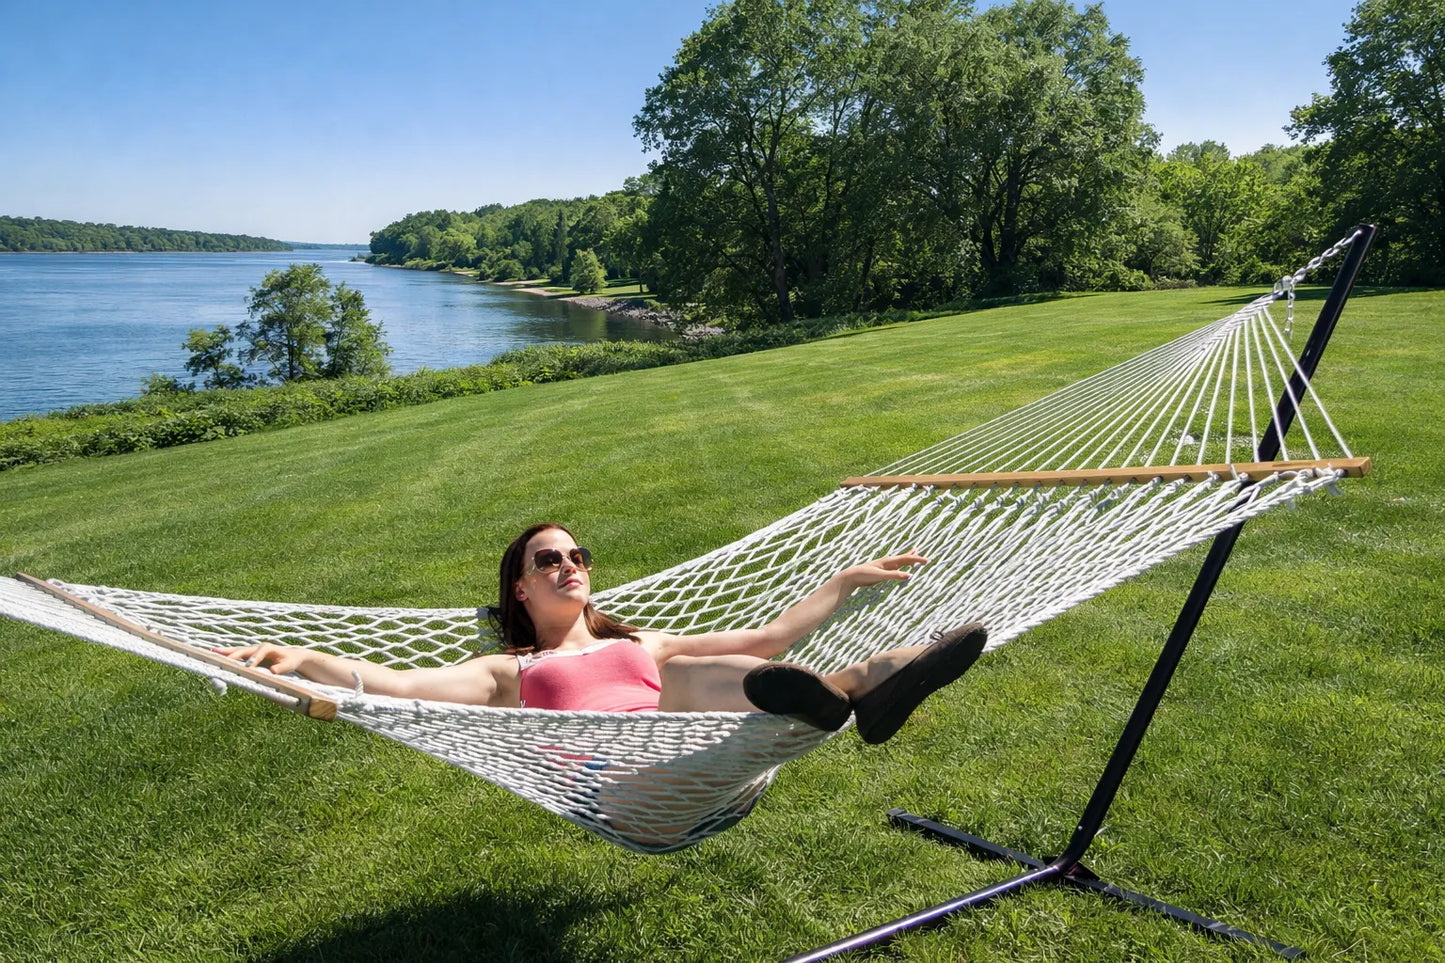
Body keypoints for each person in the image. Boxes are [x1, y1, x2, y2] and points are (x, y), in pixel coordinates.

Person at [218, 523, 987, 744]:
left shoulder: (636, 642)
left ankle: (868, 687)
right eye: (547, 559)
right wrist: (304, 657)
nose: (568, 565)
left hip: (708, 744)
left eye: (576, 555)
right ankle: (841, 696)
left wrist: (845, 578)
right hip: (630, 785)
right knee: (705, 683)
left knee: (700, 669)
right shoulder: (507, 672)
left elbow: (770, 635)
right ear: (520, 587)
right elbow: (399, 687)